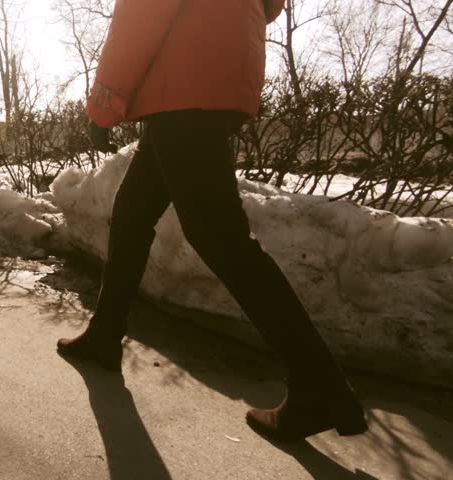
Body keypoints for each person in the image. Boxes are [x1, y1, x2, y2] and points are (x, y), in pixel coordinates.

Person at [56, 0, 368, 442]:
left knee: (221, 239)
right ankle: (105, 334)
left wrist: (105, 98)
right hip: (207, 80)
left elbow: (143, 10)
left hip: (183, 88)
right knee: (133, 213)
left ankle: (318, 385)